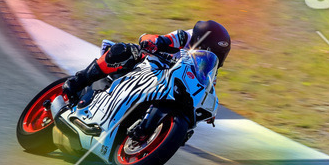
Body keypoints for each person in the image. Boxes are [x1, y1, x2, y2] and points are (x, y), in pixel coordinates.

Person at [60, 19, 230, 104]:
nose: (215, 56)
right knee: (123, 50)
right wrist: (154, 42)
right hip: (147, 67)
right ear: (200, 41)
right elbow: (150, 38)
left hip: (165, 88)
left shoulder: (208, 70)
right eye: (212, 51)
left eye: (219, 54)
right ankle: (78, 81)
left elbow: (206, 92)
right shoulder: (183, 37)